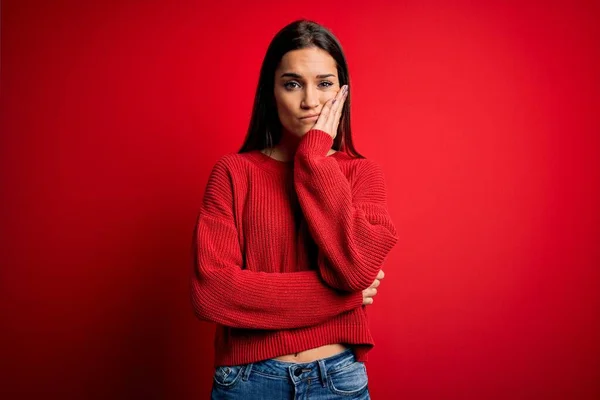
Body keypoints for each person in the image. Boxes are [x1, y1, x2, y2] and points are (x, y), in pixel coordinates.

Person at [190, 19, 398, 399]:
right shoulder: (234, 173)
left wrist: (315, 158)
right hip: (247, 381)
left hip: (336, 381)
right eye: (292, 84)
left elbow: (355, 268)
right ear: (271, 93)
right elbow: (213, 293)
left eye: (324, 84)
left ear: (342, 93)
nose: (310, 101)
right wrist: (345, 298)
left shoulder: (362, 174)